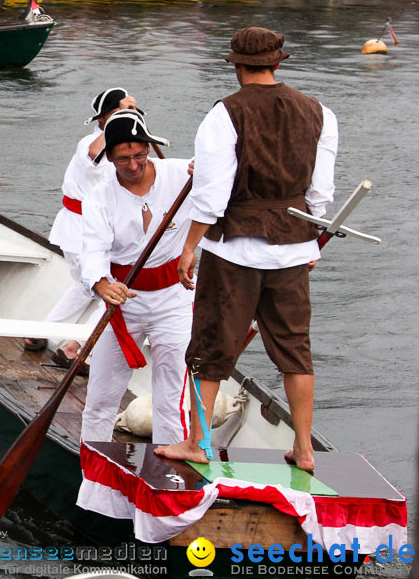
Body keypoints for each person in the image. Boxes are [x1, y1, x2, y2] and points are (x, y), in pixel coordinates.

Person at [155, 27, 337, 473]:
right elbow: (320, 194)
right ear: (278, 62)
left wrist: (189, 246)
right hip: (294, 247)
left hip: (235, 251)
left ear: (236, 65)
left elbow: (212, 194)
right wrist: (311, 243)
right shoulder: (320, 112)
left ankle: (197, 443)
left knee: (211, 346)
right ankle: (304, 450)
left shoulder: (225, 114)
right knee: (295, 349)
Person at [77, 109, 193, 446]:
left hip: (174, 300)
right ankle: (92, 470)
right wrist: (101, 284)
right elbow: (93, 251)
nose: (132, 165)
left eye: (139, 155)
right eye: (123, 158)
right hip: (122, 305)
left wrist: (210, 169)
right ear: (110, 157)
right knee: (100, 398)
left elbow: (226, 173)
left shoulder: (182, 174)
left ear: (148, 148)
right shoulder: (99, 196)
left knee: (171, 400)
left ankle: (171, 476)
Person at [37, 88, 138, 359]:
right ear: (104, 119)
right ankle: (75, 347)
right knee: (112, 287)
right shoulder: (91, 142)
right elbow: (96, 153)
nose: (131, 115)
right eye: (121, 111)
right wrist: (122, 119)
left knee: (85, 288)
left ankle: (42, 332)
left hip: (96, 230)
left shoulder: (125, 148)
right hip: (81, 230)